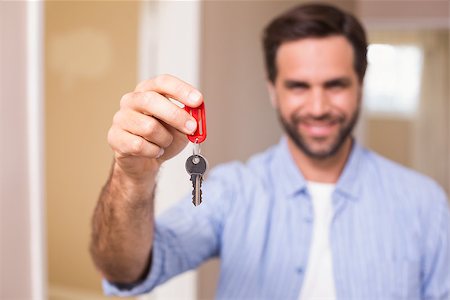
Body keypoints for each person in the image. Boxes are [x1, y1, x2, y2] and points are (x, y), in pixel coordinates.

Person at [90, 3, 450, 299]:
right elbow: (126, 271)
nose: (318, 106)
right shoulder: (232, 190)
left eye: (336, 85)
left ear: (360, 84)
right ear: (273, 90)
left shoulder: (425, 202)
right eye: (298, 86)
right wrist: (131, 179)